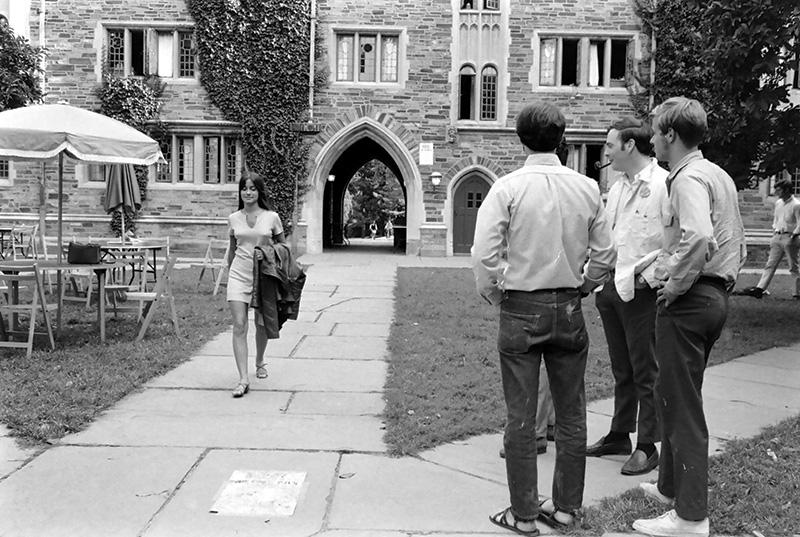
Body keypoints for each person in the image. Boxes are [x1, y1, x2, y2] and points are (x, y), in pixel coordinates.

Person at [472, 101, 615, 535]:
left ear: (520, 139)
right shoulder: (587, 187)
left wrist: (494, 292)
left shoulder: (507, 188)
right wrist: (586, 284)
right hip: (569, 304)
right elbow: (606, 253)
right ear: (561, 138)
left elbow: (484, 254)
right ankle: (567, 509)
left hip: (521, 305)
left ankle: (524, 513)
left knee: (520, 413)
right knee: (572, 413)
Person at [632, 97, 746, 537]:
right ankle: (669, 489)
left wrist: (675, 283)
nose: (652, 140)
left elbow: (698, 236)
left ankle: (691, 517)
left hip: (692, 300)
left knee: (682, 409)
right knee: (673, 394)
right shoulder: (715, 173)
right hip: (714, 297)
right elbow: (729, 238)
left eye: (656, 133)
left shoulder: (686, 179)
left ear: (671, 136)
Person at [586, 117, 668, 476]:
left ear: (629, 145)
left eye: (610, 144)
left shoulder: (665, 185)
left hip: (642, 292)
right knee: (622, 368)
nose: (606, 151)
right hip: (612, 289)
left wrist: (649, 280)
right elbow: (609, 234)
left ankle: (648, 445)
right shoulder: (617, 187)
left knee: (645, 367)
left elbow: (674, 242)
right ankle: (619, 433)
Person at [226, 172, 285, 398]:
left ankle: (260, 360)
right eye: (244, 188)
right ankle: (243, 379)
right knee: (239, 325)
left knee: (261, 325)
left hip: (263, 278)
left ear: (259, 192)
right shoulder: (233, 218)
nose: (248, 192)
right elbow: (232, 250)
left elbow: (284, 247)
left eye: (252, 188)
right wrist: (229, 276)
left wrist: (267, 253)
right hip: (238, 275)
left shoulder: (272, 217)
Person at [738, 178, 800, 299]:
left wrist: (794, 235)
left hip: (790, 237)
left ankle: (797, 293)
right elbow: (776, 219)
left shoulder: (796, 205)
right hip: (777, 237)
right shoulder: (778, 203)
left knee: (793, 266)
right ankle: (760, 289)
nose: (776, 192)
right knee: (770, 264)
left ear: (786, 190)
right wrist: (774, 232)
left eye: (779, 190)